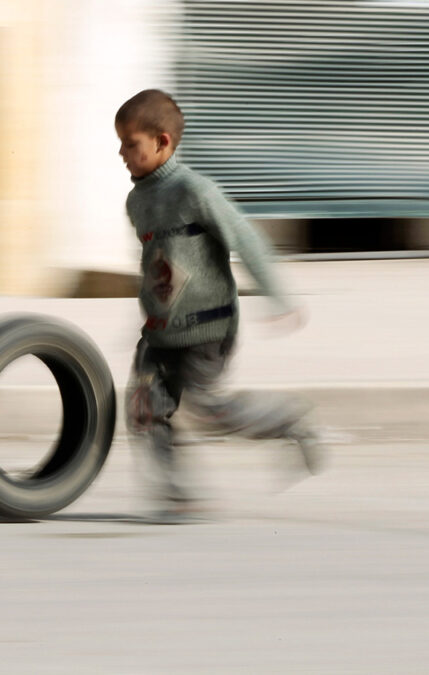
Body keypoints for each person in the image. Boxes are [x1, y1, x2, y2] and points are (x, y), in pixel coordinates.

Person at [115, 89, 324, 522]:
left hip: (207, 329)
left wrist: (277, 294)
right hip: (159, 331)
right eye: (120, 144)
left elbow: (244, 237)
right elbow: (158, 266)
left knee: (212, 412)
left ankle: (289, 421)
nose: (121, 153)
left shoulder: (194, 190)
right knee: (144, 410)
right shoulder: (137, 201)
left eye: (130, 144)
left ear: (162, 142)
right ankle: (179, 497)